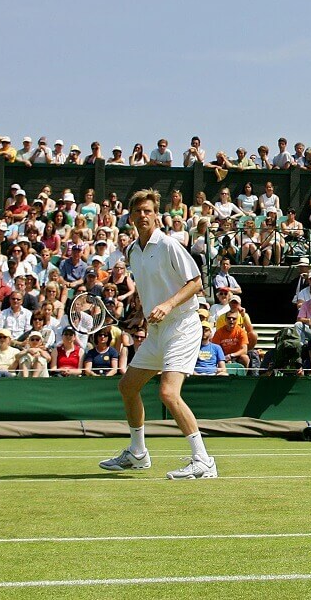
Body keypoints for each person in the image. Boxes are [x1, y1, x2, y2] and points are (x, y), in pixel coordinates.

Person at [99, 189, 215, 480]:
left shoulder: (168, 245)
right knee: (127, 387)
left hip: (183, 326)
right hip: (157, 330)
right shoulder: (132, 251)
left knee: (167, 392)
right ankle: (138, 454)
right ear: (131, 217)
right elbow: (147, 288)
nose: (143, 215)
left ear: (156, 214)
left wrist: (167, 304)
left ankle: (203, 461)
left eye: (148, 210)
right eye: (138, 211)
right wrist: (142, 313)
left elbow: (196, 283)